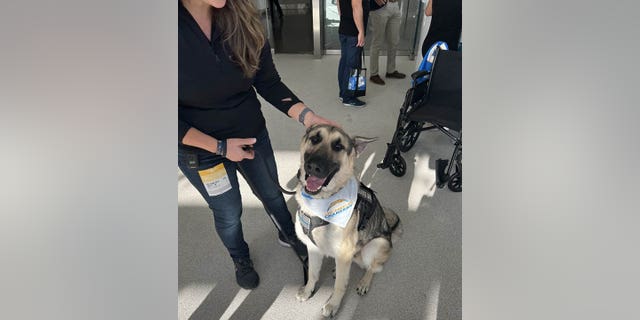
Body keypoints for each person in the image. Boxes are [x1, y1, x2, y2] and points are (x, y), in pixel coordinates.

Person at [178, 0, 337, 290]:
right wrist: (221, 148)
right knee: (228, 213)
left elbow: (268, 81)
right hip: (200, 151)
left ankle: (290, 234)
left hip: (251, 134)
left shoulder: (241, 15)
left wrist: (307, 116)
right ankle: (240, 257)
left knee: (272, 193)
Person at [337, 0, 370, 107]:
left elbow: (338, 3)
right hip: (353, 32)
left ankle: (343, 93)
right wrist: (361, 31)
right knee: (352, 64)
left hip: (344, 28)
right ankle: (348, 97)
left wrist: (344, 17)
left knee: (345, 62)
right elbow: (356, 6)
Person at [368, 0, 406, 86]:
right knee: (377, 42)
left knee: (394, 41)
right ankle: (374, 74)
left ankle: (391, 71)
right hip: (379, 8)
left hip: (395, 5)